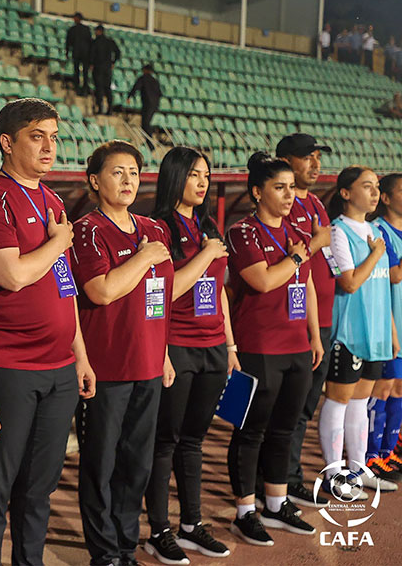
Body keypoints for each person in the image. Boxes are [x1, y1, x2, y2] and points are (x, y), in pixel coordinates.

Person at [0, 98, 96, 565]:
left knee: (40, 488)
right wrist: (60, 240)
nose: (48, 146)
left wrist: (79, 353)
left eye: (54, 137)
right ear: (7, 141)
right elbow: (12, 275)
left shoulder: (53, 200)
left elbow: (64, 285)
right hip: (10, 365)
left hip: (59, 368)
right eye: (37, 136)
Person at [70, 140, 174, 566]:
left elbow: (161, 296)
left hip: (148, 364)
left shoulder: (155, 229)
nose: (128, 179)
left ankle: (126, 544)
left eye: (133, 171)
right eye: (117, 172)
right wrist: (144, 256)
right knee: (101, 464)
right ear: (95, 180)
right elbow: (102, 290)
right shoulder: (87, 230)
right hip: (106, 367)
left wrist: (163, 352)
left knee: (136, 464)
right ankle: (104, 551)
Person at [225, 152, 323, 546]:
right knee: (249, 432)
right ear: (256, 191)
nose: (288, 196)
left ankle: (276, 502)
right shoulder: (242, 232)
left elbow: (308, 284)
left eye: (290, 188)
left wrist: (314, 335)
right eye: (279, 188)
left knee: (283, 429)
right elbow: (263, 281)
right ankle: (244, 511)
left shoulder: (293, 235)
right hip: (256, 347)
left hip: (296, 345)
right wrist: (301, 252)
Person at [144, 147, 235, 564]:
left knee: (195, 441)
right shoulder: (160, 226)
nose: (202, 182)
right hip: (177, 345)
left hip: (213, 348)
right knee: (167, 441)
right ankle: (158, 530)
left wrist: (230, 346)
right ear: (175, 176)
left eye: (206, 175)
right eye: (194, 174)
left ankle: (192, 524)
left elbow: (218, 293)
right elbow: (167, 290)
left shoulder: (209, 226)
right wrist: (205, 255)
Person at [317, 165, 399, 496]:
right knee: (338, 402)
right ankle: (334, 474)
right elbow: (349, 282)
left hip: (376, 333)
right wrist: (376, 253)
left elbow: (382, 288)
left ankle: (357, 469)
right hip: (349, 333)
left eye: (377, 186)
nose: (375, 192)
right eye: (367, 186)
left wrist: (391, 332)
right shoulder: (338, 232)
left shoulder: (374, 232)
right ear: (346, 193)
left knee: (360, 404)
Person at [275, 133, 335, 508]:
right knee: (284, 409)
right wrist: (314, 243)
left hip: (321, 320)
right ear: (285, 160)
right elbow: (308, 249)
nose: (315, 165)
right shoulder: (282, 205)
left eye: (317, 158)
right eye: (307, 158)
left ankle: (290, 477)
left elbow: (324, 243)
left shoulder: (313, 203)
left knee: (304, 407)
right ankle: (278, 483)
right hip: (290, 323)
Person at [370, 174, 402, 476]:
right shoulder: (379, 231)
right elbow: (394, 276)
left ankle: (390, 451)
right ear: (387, 198)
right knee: (383, 388)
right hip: (389, 323)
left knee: (399, 388)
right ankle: (372, 454)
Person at [89, 24, 120, 115]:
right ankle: (110, 109)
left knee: (99, 89)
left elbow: (92, 54)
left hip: (98, 68)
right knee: (107, 89)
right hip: (107, 68)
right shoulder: (110, 41)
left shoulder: (95, 42)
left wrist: (91, 64)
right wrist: (113, 62)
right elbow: (118, 52)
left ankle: (100, 109)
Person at [126, 63, 162, 142]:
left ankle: (149, 142)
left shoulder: (142, 78)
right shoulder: (155, 81)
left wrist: (129, 96)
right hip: (155, 104)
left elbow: (136, 88)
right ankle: (149, 141)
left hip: (147, 103)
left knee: (145, 124)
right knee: (147, 123)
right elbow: (160, 93)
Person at [65, 12, 92, 95]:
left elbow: (68, 42)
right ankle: (81, 88)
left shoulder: (73, 29)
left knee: (80, 72)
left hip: (79, 53)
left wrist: (67, 52)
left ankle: (81, 88)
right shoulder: (85, 29)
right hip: (83, 53)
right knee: (81, 71)